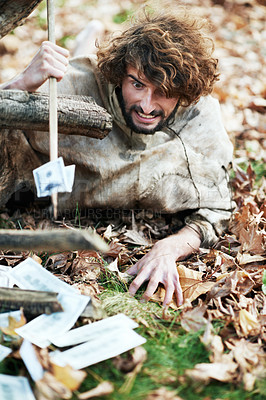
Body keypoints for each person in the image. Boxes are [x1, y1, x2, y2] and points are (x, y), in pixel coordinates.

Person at [0, 6, 234, 307]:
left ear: (185, 91)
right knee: (74, 64)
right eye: (137, 84)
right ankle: (86, 39)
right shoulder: (72, 84)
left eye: (163, 91)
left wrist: (170, 247)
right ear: (119, 74)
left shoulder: (199, 117)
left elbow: (217, 209)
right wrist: (19, 86)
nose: (147, 106)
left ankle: (89, 36)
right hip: (79, 81)